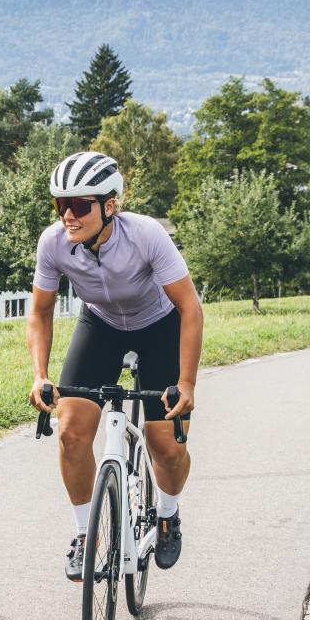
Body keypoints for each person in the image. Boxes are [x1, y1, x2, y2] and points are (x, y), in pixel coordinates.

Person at [27, 151, 203, 581]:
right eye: (60, 205)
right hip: (101, 325)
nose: (68, 215)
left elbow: (190, 308)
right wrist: (40, 374)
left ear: (109, 206)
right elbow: (40, 312)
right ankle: (87, 535)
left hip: (157, 326)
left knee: (166, 446)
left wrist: (185, 383)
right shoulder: (53, 243)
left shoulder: (146, 236)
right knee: (69, 433)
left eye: (80, 205)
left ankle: (168, 514)